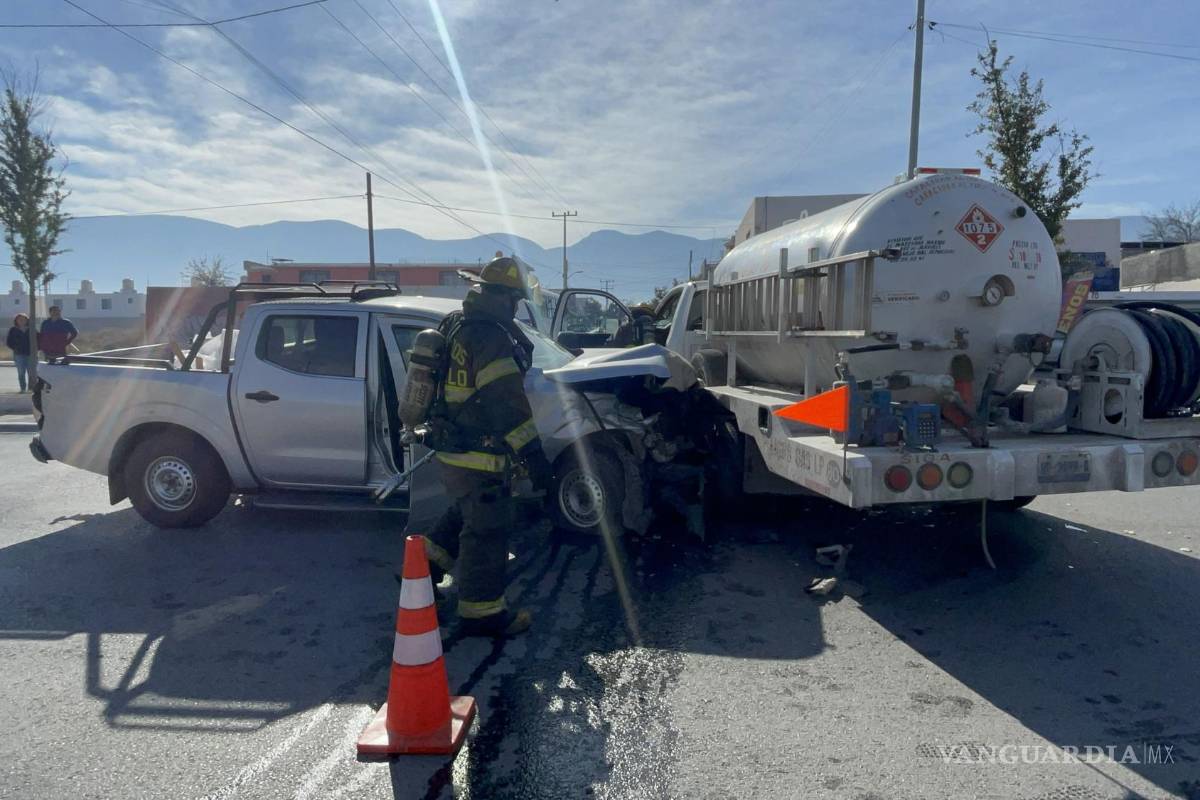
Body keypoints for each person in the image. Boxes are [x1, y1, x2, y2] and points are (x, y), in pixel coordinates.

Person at [419, 255, 554, 638]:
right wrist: (533, 454)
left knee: (467, 511)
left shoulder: (455, 322)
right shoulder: (490, 336)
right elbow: (506, 404)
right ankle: (482, 614)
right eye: (516, 300)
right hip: (479, 452)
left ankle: (424, 571)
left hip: (454, 446)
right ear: (508, 298)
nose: (516, 307)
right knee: (487, 530)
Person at [6, 313, 31, 392]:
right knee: (21, 372)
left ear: (27, 320)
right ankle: (23, 389)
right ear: (16, 320)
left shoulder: (31, 329)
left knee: (32, 372)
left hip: (31, 354)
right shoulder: (13, 330)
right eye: (19, 319)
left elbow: (37, 339)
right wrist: (16, 348)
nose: (22, 321)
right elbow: (9, 342)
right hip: (19, 354)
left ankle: (31, 389)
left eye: (24, 319)